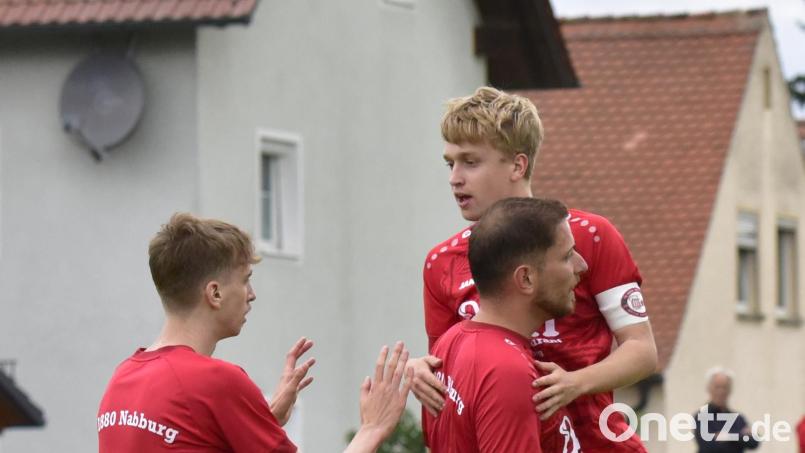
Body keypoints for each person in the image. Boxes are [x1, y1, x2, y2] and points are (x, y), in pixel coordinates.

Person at [410, 87, 657, 452]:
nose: (455, 178)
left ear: (517, 165)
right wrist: (421, 370)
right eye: (451, 164)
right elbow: (453, 366)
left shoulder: (589, 238)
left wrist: (575, 382)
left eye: (470, 162)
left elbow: (643, 350)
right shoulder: (441, 262)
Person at [97, 213, 412, 452]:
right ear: (215, 293)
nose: (251, 294)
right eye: (245, 279)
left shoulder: (120, 381)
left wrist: (262, 423)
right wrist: (372, 428)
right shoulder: (215, 382)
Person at [423, 197, 586, 452]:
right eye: (567, 257)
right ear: (526, 278)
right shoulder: (506, 371)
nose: (581, 266)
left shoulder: (450, 343)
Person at [692, 366, 759, 453]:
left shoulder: (738, 419)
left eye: (724, 387)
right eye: (717, 387)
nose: (721, 392)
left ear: (730, 390)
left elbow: (754, 443)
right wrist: (740, 435)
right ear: (709, 389)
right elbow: (708, 446)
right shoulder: (701, 417)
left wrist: (724, 436)